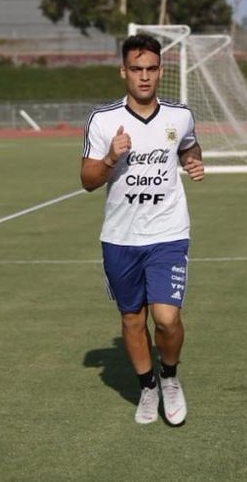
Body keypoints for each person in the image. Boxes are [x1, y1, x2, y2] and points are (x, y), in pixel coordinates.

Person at [81, 34, 205, 425]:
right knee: (132, 319)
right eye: (136, 69)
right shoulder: (103, 120)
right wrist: (111, 157)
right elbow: (87, 179)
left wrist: (193, 161)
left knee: (166, 318)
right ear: (124, 72)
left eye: (151, 69)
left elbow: (188, 146)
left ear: (160, 72)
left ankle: (169, 377)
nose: (144, 77)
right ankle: (147, 386)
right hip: (120, 238)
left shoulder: (179, 115)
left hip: (168, 232)